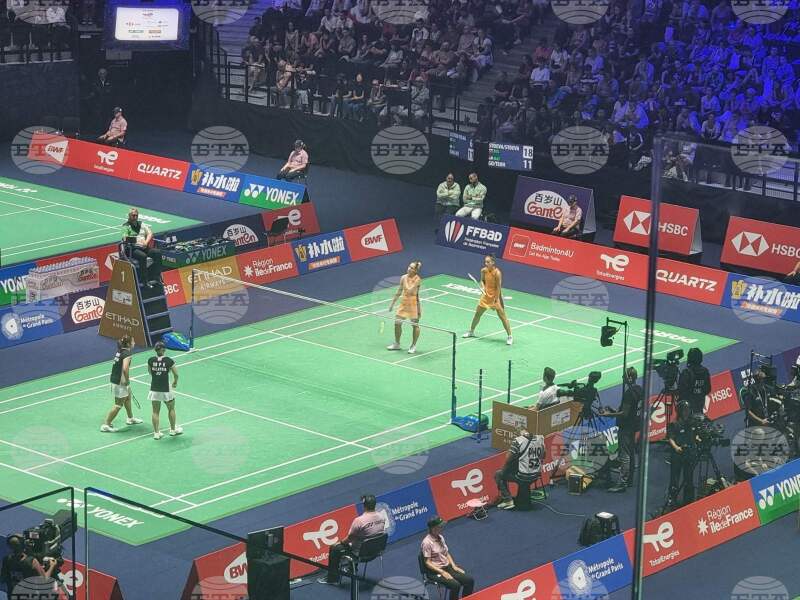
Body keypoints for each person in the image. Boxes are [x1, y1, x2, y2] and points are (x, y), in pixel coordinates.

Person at [319, 494, 386, 585]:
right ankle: (351, 569)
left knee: (335, 548)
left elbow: (350, 538)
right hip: (376, 551)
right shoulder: (382, 517)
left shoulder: (359, 521)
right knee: (360, 541)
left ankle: (332, 579)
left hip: (360, 554)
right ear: (374, 504)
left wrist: (340, 543)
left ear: (364, 506)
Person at [607, 367, 643, 492]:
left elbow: (625, 413)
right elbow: (631, 409)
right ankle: (630, 479)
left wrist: (609, 415)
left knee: (625, 455)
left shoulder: (629, 393)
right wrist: (614, 411)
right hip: (634, 424)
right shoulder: (639, 389)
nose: (622, 378)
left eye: (624, 376)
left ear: (630, 378)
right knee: (631, 452)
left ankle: (622, 482)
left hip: (626, 427)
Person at [462, 255, 513, 345]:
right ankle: (471, 331)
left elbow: (498, 287)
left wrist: (496, 300)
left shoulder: (497, 273)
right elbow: (482, 280)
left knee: (502, 317)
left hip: (495, 297)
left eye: (488, 262)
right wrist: (483, 287)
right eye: (485, 262)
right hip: (485, 296)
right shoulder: (483, 270)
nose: (486, 263)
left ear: (493, 262)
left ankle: (510, 336)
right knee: (477, 314)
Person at [420, 516, 474, 599]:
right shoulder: (426, 543)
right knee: (455, 585)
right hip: (434, 572)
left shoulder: (440, 537)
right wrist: (442, 572)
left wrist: (454, 566)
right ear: (433, 528)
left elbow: (446, 553)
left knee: (469, 580)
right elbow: (427, 562)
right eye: (440, 526)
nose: (442, 528)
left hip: (447, 567)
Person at [101, 335, 143, 432]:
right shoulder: (127, 354)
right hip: (120, 382)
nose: (134, 343)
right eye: (133, 341)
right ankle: (106, 424)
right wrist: (127, 380)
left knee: (127, 398)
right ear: (128, 344)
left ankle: (130, 418)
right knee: (118, 405)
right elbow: (125, 369)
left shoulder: (120, 351)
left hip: (115, 379)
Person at [495, 427, 545, 509]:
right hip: (537, 475)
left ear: (516, 434)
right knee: (521, 474)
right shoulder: (540, 438)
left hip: (524, 476)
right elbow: (544, 456)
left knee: (498, 474)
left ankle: (508, 500)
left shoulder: (518, 440)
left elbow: (508, 458)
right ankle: (521, 499)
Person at [666, 401, 700, 509]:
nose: (686, 412)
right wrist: (676, 447)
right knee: (675, 479)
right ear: (679, 411)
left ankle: (688, 500)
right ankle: (672, 501)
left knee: (688, 478)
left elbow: (696, 435)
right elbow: (670, 438)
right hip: (678, 455)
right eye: (684, 410)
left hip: (689, 454)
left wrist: (697, 439)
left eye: (688, 409)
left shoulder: (692, 423)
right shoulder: (674, 424)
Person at [387, 261, 422, 354]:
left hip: (413, 304)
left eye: (412, 268)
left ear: (415, 271)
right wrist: (392, 304)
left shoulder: (417, 279)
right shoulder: (403, 277)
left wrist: (405, 278)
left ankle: (413, 345)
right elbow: (399, 291)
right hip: (404, 303)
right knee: (397, 323)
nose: (409, 269)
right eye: (409, 266)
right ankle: (397, 344)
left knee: (415, 325)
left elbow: (409, 290)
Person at [148, 341, 180, 440]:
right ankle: (173, 430)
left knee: (155, 411)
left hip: (155, 388)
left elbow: (150, 372)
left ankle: (156, 433)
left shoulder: (151, 360)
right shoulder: (169, 361)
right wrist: (175, 382)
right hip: (166, 389)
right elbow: (176, 374)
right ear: (164, 349)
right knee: (171, 409)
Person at [122, 208, 162, 287]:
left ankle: (156, 277)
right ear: (129, 216)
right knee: (143, 256)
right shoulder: (126, 226)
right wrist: (138, 241)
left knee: (157, 252)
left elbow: (150, 233)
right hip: (132, 249)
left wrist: (146, 242)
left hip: (144, 247)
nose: (135, 217)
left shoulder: (141, 224)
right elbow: (125, 238)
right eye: (133, 215)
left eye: (136, 215)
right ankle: (144, 281)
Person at [678, 347, 711, 415]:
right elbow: (708, 389)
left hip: (687, 410)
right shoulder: (705, 371)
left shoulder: (686, 373)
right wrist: (698, 392)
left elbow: (681, 392)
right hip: (700, 405)